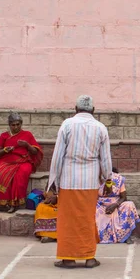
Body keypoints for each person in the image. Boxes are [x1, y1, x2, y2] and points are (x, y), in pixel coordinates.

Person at [48, 95, 112, 269]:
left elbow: (57, 156)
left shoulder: (67, 125)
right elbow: (105, 159)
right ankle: (89, 257)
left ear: (75, 109)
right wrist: (108, 181)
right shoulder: (100, 128)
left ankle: (68, 259)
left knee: (67, 220)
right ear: (93, 110)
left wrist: (53, 181)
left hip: (68, 180)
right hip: (90, 181)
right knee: (87, 218)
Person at [0, 112, 43, 213]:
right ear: (9, 125)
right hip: (6, 161)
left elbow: (35, 151)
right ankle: (3, 203)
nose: (16, 127)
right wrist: (5, 150)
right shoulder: (4, 136)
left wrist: (27, 145)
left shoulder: (27, 134)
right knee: (0, 173)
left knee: (20, 174)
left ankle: (15, 203)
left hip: (24, 161)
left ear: (21, 124)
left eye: (18, 124)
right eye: (13, 125)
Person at [96, 167, 140, 244]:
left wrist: (115, 205)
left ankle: (126, 235)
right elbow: (93, 197)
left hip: (116, 205)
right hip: (101, 206)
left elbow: (124, 197)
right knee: (92, 208)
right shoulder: (95, 179)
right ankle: (96, 236)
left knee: (129, 205)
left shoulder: (118, 179)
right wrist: (102, 205)